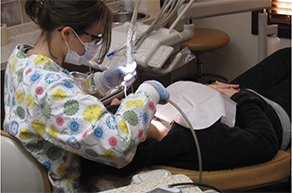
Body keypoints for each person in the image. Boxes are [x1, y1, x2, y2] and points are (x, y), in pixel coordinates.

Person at [3, 0, 169, 192]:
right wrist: (148, 93)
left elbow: (61, 91)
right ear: (67, 33)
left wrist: (101, 82)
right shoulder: (51, 90)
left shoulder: (22, 60)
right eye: (93, 38)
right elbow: (118, 144)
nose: (95, 44)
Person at [80, 47, 291, 191]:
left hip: (234, 101)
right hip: (271, 114)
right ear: (140, 135)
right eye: (117, 111)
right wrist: (241, 97)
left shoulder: (157, 119)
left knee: (286, 56)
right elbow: (264, 139)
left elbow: (183, 92)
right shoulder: (196, 142)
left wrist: (205, 89)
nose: (116, 102)